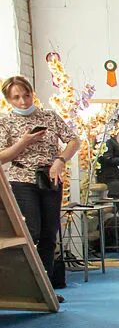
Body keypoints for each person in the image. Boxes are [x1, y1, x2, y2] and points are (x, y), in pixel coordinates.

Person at [0, 75, 80, 298]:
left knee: (48, 234)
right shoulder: (5, 122)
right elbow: (1, 157)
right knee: (30, 231)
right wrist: (23, 142)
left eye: (26, 95)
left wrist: (60, 160)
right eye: (16, 98)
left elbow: (74, 140)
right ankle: (23, 286)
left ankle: (46, 290)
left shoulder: (50, 117)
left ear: (32, 93)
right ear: (8, 100)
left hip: (50, 177)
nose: (23, 102)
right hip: (21, 178)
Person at [95, 134, 119, 198]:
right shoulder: (107, 140)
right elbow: (106, 159)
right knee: (118, 202)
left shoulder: (112, 140)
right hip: (112, 178)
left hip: (116, 177)